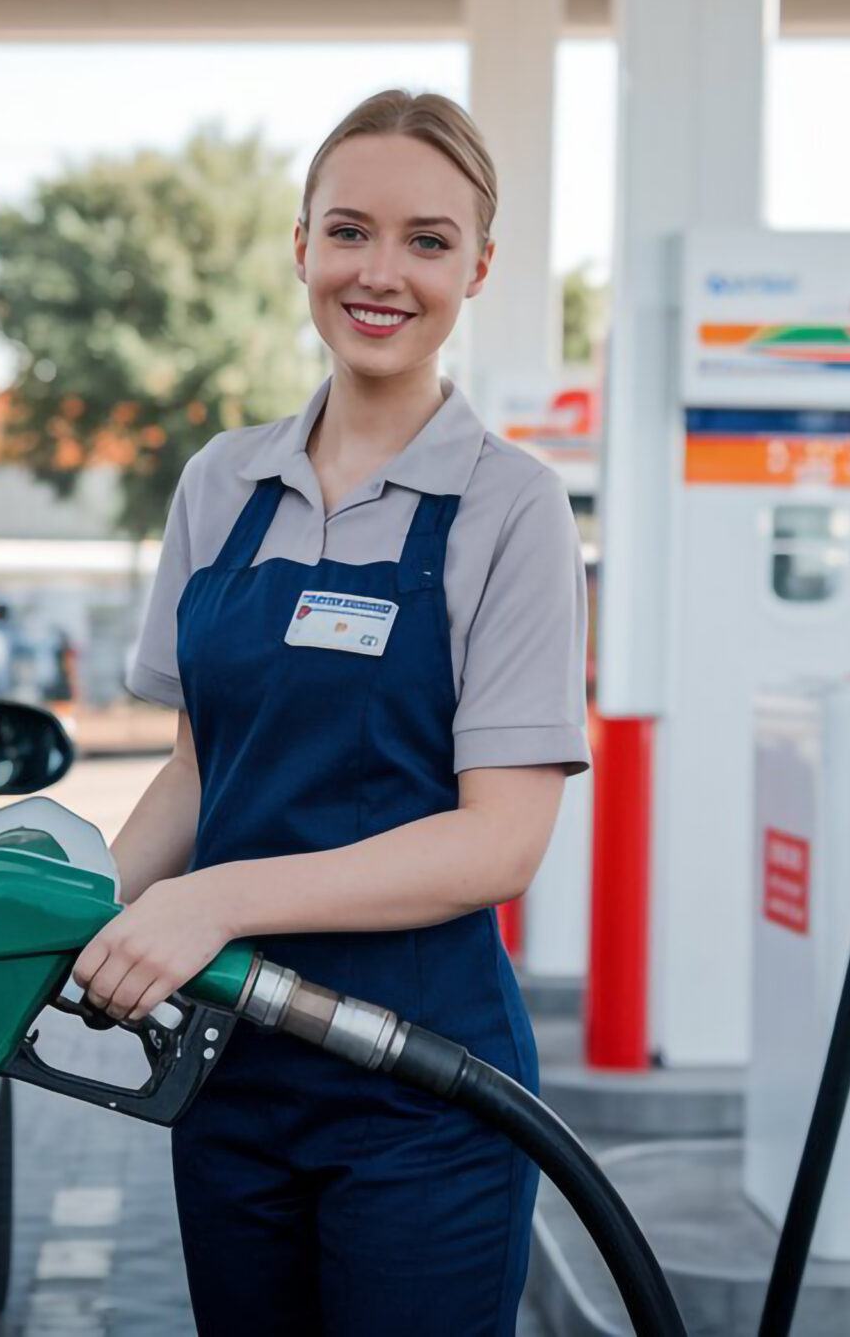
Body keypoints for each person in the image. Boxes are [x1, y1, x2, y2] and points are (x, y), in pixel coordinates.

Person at [76, 90, 590, 1335]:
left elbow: (498, 843)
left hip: (420, 1084)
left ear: (477, 266)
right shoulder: (222, 483)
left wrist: (215, 901)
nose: (381, 271)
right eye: (349, 230)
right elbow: (203, 774)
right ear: (300, 248)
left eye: (426, 240)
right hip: (228, 1069)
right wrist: (60, 893)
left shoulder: (509, 506)